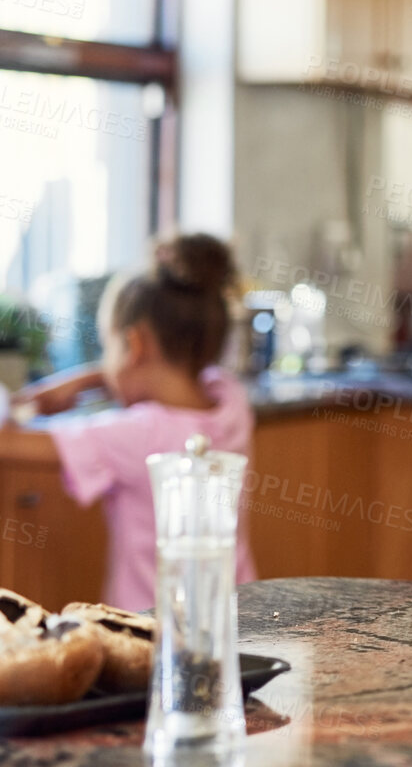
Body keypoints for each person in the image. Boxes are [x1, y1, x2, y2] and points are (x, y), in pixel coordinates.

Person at [0, 234, 256, 612]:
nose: (105, 364)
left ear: (135, 345)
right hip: (238, 613)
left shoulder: (136, 434)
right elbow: (171, 378)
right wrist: (91, 379)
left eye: (108, 348)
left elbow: (7, 443)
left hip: (153, 631)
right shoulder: (231, 402)